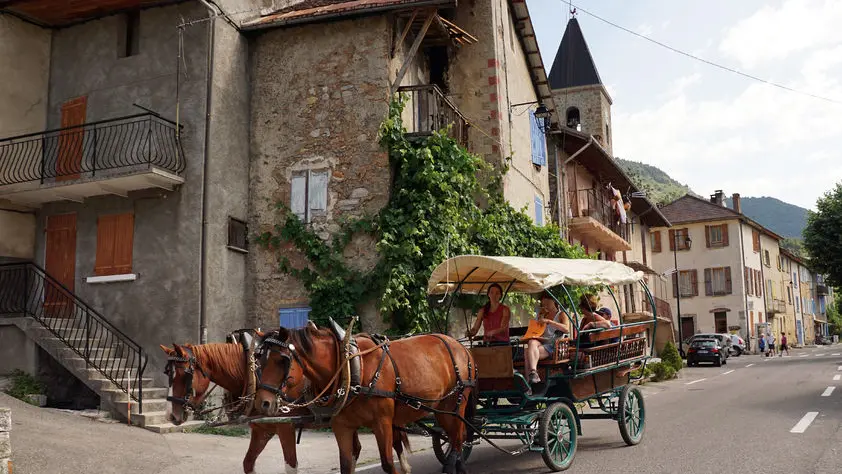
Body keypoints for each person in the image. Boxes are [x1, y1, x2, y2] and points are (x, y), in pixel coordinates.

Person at [523, 293, 571, 385]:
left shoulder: (561, 314)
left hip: (554, 345)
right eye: (543, 304)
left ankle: (528, 382)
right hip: (542, 342)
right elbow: (537, 330)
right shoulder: (543, 314)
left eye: (547, 304)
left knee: (527, 352)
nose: (545, 306)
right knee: (531, 342)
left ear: (554, 301)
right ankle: (533, 372)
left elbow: (566, 329)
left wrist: (549, 321)